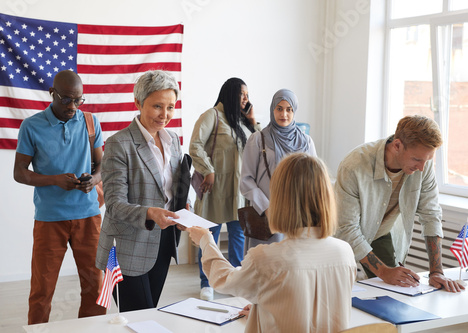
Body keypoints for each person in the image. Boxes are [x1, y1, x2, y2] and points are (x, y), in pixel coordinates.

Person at [188, 153, 357, 332]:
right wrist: (266, 308)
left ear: (280, 199)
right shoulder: (345, 252)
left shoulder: (265, 258)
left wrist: (206, 241)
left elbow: (223, 280)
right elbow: (311, 306)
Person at [14, 70, 106, 324]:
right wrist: (54, 180)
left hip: (89, 217)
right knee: (42, 291)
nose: (73, 107)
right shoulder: (31, 126)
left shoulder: (90, 122)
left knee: (96, 287)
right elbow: (19, 173)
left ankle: (93, 329)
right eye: (66, 99)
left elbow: (102, 167)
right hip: (49, 219)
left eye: (79, 100)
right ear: (52, 94)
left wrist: (93, 181)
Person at [335, 115, 464, 292]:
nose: (421, 168)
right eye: (417, 159)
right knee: (340, 292)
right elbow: (347, 228)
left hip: (381, 234)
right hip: (340, 239)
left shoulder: (423, 166)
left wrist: (436, 271)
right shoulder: (354, 166)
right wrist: (384, 271)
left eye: (427, 160)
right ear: (397, 145)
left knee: (390, 292)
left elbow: (431, 214)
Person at [95, 70, 186, 312]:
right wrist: (150, 213)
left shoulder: (173, 140)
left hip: (163, 242)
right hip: (126, 246)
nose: (164, 115)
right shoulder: (118, 144)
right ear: (138, 102)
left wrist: (184, 208)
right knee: (138, 317)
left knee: (148, 314)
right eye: (157, 106)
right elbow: (114, 205)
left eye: (170, 107)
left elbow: (171, 190)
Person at [189, 77, 260, 301]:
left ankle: (234, 280)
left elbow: (261, 145)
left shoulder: (242, 122)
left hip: (238, 192)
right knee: (209, 236)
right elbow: (195, 145)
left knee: (238, 236)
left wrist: (252, 120)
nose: (246, 99)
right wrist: (208, 170)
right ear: (231, 94)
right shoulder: (212, 116)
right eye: (242, 94)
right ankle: (206, 282)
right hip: (214, 190)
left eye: (247, 95)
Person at [240, 88, 317, 251]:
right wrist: (267, 208)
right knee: (264, 267)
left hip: (297, 218)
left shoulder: (306, 142)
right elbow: (246, 180)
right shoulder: (258, 139)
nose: (284, 114)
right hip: (267, 218)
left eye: (289, 110)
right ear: (272, 109)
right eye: (279, 109)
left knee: (292, 267)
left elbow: (314, 181)